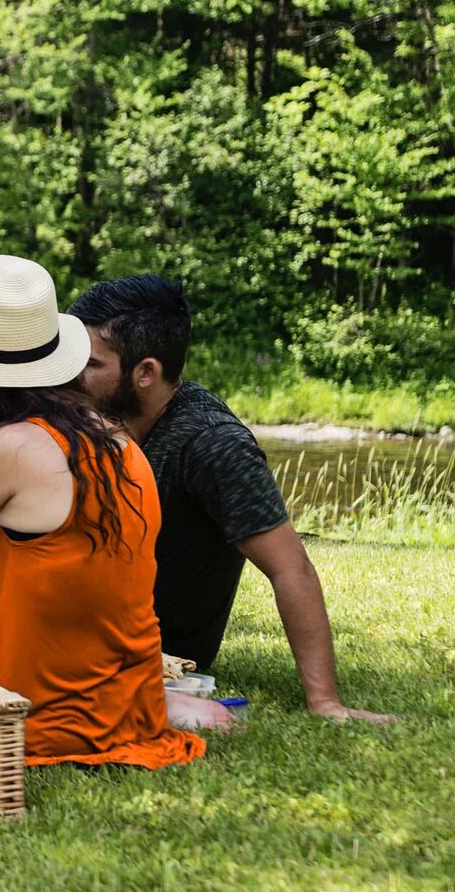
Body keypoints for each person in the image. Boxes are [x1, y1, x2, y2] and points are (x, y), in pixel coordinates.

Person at [0, 254, 203, 767]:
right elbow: (42, 565)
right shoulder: (116, 440)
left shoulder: (11, 448)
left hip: (32, 717)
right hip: (125, 711)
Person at [68, 274, 395, 725]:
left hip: (152, 651)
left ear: (145, 373)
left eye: (89, 363)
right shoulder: (93, 410)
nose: (70, 373)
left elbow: (290, 567)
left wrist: (326, 703)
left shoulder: (212, 443)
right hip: (77, 616)